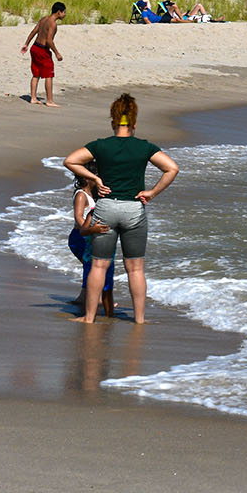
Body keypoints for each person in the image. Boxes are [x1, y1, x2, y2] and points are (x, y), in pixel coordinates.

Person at [62, 94, 180, 324]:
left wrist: (95, 178)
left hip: (106, 208)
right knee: (135, 268)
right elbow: (172, 168)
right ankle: (140, 319)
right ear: (134, 123)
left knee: (98, 264)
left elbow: (71, 161)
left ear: (113, 122)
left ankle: (88, 318)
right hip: (133, 209)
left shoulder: (101, 145)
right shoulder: (144, 147)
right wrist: (152, 193)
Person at [67, 176, 115, 317]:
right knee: (93, 266)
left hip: (86, 235)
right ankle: (95, 298)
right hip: (80, 237)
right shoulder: (81, 195)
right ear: (88, 179)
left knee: (90, 266)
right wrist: (89, 230)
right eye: (96, 178)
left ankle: (84, 296)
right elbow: (78, 217)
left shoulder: (91, 194)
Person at [21, 2, 66, 106]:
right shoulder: (53, 24)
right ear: (58, 12)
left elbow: (34, 31)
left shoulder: (44, 19)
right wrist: (57, 53)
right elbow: (49, 41)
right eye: (64, 12)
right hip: (42, 50)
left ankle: (33, 98)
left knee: (36, 74)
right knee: (48, 75)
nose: (65, 14)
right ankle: (49, 100)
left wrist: (26, 44)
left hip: (34, 48)